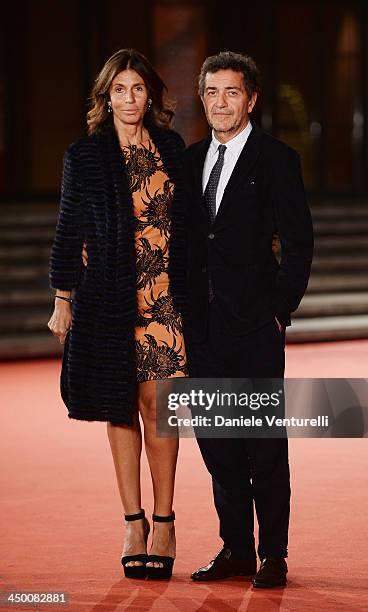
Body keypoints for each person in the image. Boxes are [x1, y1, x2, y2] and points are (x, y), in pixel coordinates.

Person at [47, 49, 187, 580]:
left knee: (161, 408)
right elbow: (68, 231)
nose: (130, 99)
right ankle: (134, 522)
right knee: (118, 407)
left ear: (150, 95)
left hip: (166, 300)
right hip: (108, 299)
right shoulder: (84, 156)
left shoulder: (172, 149)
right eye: (120, 90)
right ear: (106, 98)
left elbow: (192, 223)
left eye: (138, 89)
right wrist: (63, 300)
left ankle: (166, 519)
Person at [183, 51, 314, 588]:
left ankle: (273, 554)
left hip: (256, 326)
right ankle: (235, 547)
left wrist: (279, 308)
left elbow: (300, 243)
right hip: (202, 329)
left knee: (263, 444)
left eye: (231, 92)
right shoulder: (190, 162)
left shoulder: (278, 160)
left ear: (251, 99)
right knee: (217, 445)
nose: (220, 103)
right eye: (212, 93)